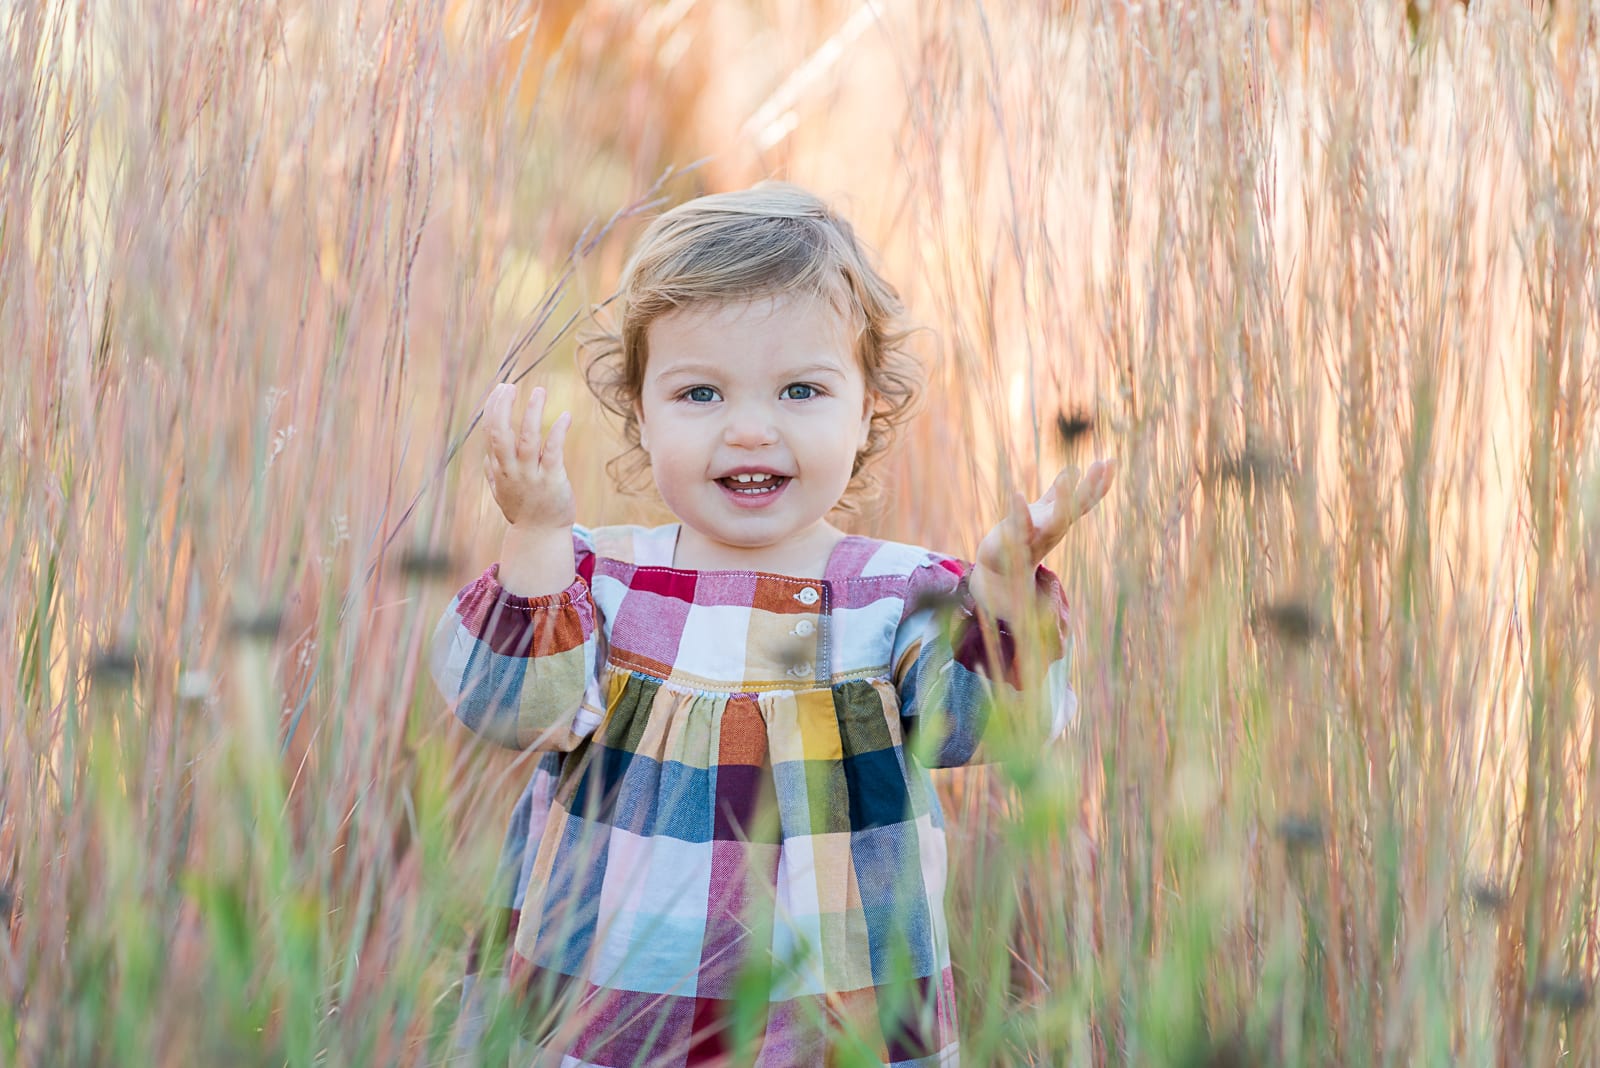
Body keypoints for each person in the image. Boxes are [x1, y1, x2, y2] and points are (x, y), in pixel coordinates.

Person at [429, 182, 1115, 1067]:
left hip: (835, 1013)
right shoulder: (597, 579)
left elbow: (993, 727)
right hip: (607, 1011)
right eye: (701, 394)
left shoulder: (896, 596)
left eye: (799, 389)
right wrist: (534, 536)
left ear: (867, 408)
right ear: (640, 411)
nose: (751, 430)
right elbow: (507, 709)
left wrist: (1004, 591)